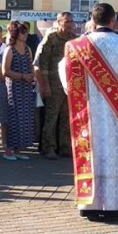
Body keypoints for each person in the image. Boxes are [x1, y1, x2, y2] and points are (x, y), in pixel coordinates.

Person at [59, 3, 118, 222]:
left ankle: (89, 205)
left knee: (90, 154)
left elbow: (66, 79)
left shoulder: (74, 46)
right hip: (116, 116)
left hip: (87, 115)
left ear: (93, 19)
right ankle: (114, 206)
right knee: (114, 156)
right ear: (113, 20)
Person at [38, 12, 76, 159]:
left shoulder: (74, 39)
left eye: (71, 22)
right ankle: (49, 148)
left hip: (69, 84)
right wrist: (45, 84)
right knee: (51, 118)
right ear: (59, 22)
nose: (70, 24)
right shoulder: (52, 38)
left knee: (67, 118)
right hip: (53, 84)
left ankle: (65, 147)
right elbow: (43, 63)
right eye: (66, 22)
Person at [2, 21, 35, 161]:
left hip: (26, 87)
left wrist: (31, 77)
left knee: (24, 118)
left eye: (26, 31)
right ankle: (8, 150)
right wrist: (22, 76)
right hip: (14, 87)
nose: (26, 34)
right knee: (13, 117)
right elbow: (5, 71)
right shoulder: (10, 50)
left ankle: (18, 149)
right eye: (23, 32)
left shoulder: (28, 49)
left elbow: (31, 66)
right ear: (16, 34)